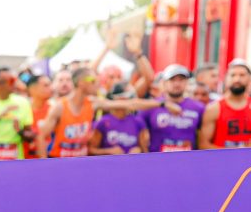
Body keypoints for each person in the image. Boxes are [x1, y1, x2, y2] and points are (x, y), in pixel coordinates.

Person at [39, 67, 177, 158]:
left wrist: (162, 103)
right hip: (58, 162)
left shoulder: (92, 103)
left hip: (80, 163)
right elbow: (41, 136)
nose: (98, 84)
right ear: (81, 83)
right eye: (93, 80)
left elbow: (130, 103)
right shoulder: (60, 107)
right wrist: (44, 166)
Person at [198, 59, 251, 149]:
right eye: (233, 75)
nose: (237, 79)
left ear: (250, 79)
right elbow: (203, 144)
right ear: (226, 78)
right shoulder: (214, 108)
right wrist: (232, 153)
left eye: (242, 75)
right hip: (222, 162)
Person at [142, 64, 204, 153]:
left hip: (187, 161)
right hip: (158, 161)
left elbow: (202, 137)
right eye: (172, 79)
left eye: (181, 80)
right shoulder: (151, 106)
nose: (177, 84)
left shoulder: (198, 108)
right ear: (164, 82)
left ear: (187, 82)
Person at [90, 84, 148, 155]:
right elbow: (91, 150)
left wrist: (139, 150)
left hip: (131, 164)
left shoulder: (137, 121)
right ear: (117, 98)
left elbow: (145, 151)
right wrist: (109, 151)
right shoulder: (103, 122)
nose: (131, 100)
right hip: (110, 164)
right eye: (128, 96)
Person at [22, 72, 53, 158]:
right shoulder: (22, 110)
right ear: (32, 89)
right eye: (46, 85)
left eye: (50, 85)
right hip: (26, 161)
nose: (51, 88)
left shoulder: (53, 110)